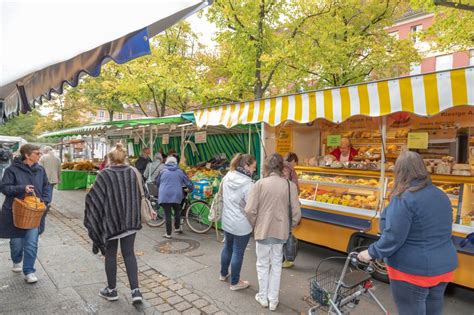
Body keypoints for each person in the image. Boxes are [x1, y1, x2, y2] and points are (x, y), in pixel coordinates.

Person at [358, 151, 458, 315]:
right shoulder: (440, 194)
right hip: (443, 266)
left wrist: (370, 252)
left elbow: (393, 237)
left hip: (413, 270)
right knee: (434, 309)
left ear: (399, 171)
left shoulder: (404, 198)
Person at [84, 143, 149, 305]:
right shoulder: (134, 172)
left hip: (111, 222)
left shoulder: (104, 174)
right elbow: (143, 193)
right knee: (129, 253)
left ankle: (112, 290)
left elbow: (94, 199)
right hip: (130, 221)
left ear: (110, 159)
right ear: (124, 158)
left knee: (110, 254)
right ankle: (136, 292)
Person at [245, 153, 301, 311]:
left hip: (262, 231)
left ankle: (263, 297)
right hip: (281, 232)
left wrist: (256, 224)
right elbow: (296, 214)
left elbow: (249, 210)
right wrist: (289, 227)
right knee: (276, 265)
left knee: (262, 264)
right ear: (281, 167)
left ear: (267, 166)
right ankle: (273, 300)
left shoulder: (259, 184)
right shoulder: (290, 186)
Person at [0, 144, 50, 284]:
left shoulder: (40, 170)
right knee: (16, 243)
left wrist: (45, 202)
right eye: (37, 153)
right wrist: (22, 188)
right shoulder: (12, 170)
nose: (40, 155)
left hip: (33, 213)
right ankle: (16, 260)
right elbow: (4, 188)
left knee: (32, 243)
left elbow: (46, 186)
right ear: (27, 155)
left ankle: (29, 271)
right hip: (15, 213)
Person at [220, 153, 257, 291]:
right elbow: (250, 207)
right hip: (242, 224)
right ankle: (235, 283)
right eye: (253, 167)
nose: (254, 170)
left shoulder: (228, 176)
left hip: (227, 220)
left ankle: (223, 274)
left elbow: (223, 194)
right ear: (246, 166)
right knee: (238, 252)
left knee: (227, 248)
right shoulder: (249, 184)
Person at [156, 155, 193, 239]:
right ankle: (177, 228)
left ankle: (168, 234)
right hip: (176, 195)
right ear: (176, 163)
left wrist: (161, 188)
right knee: (177, 210)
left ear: (166, 163)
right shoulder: (180, 171)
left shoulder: (162, 171)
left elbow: (157, 182)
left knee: (167, 214)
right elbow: (188, 182)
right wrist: (191, 188)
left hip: (164, 195)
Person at [281, 152, 300, 269]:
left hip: (278, 209)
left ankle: (281, 258)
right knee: (286, 234)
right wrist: (294, 221)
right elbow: (296, 189)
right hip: (288, 207)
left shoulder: (278, 167)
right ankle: (287, 258)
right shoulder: (291, 171)